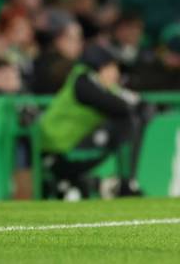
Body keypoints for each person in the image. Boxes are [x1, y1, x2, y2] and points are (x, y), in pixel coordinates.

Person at [38, 44, 150, 198]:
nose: (116, 73)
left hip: (72, 145)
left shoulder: (103, 85)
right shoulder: (82, 81)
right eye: (112, 67)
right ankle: (116, 182)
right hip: (54, 148)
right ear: (99, 67)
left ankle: (120, 182)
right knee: (124, 122)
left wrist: (136, 105)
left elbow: (140, 104)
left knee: (128, 122)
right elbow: (117, 105)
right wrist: (133, 106)